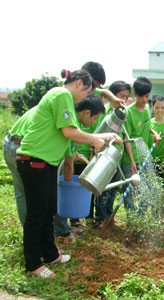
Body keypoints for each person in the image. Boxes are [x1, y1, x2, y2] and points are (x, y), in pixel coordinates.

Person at [16, 69, 121, 278]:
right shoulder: (61, 94)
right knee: (37, 213)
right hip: (34, 159)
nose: (85, 97)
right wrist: (93, 139)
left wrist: (104, 136)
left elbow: (72, 134)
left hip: (46, 163)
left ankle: (50, 253)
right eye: (87, 91)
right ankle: (33, 262)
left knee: (49, 210)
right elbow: (69, 132)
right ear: (80, 83)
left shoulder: (67, 104)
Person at [53, 94, 106, 238]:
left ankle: (56, 233)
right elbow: (69, 165)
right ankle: (58, 234)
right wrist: (69, 192)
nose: (94, 122)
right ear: (87, 112)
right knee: (48, 203)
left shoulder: (72, 120)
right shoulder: (72, 126)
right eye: (95, 118)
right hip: (41, 160)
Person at [93, 80, 131, 224]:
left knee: (113, 189)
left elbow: (125, 134)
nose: (124, 100)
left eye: (127, 97)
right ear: (113, 96)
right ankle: (100, 220)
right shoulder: (105, 112)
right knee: (103, 189)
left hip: (117, 157)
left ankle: (109, 218)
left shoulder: (123, 113)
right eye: (122, 96)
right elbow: (98, 134)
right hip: (104, 157)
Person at [121, 77, 160, 216]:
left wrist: (154, 133)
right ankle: (131, 219)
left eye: (147, 96)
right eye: (141, 96)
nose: (144, 100)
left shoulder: (148, 107)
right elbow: (127, 137)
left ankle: (140, 216)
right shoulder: (128, 112)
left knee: (148, 187)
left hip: (145, 155)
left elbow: (147, 126)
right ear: (135, 95)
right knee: (129, 190)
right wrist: (132, 161)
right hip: (129, 158)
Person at [150, 96, 164, 182]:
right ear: (152, 108)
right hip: (152, 161)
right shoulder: (149, 124)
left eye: (162, 107)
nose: (160, 110)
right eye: (157, 107)